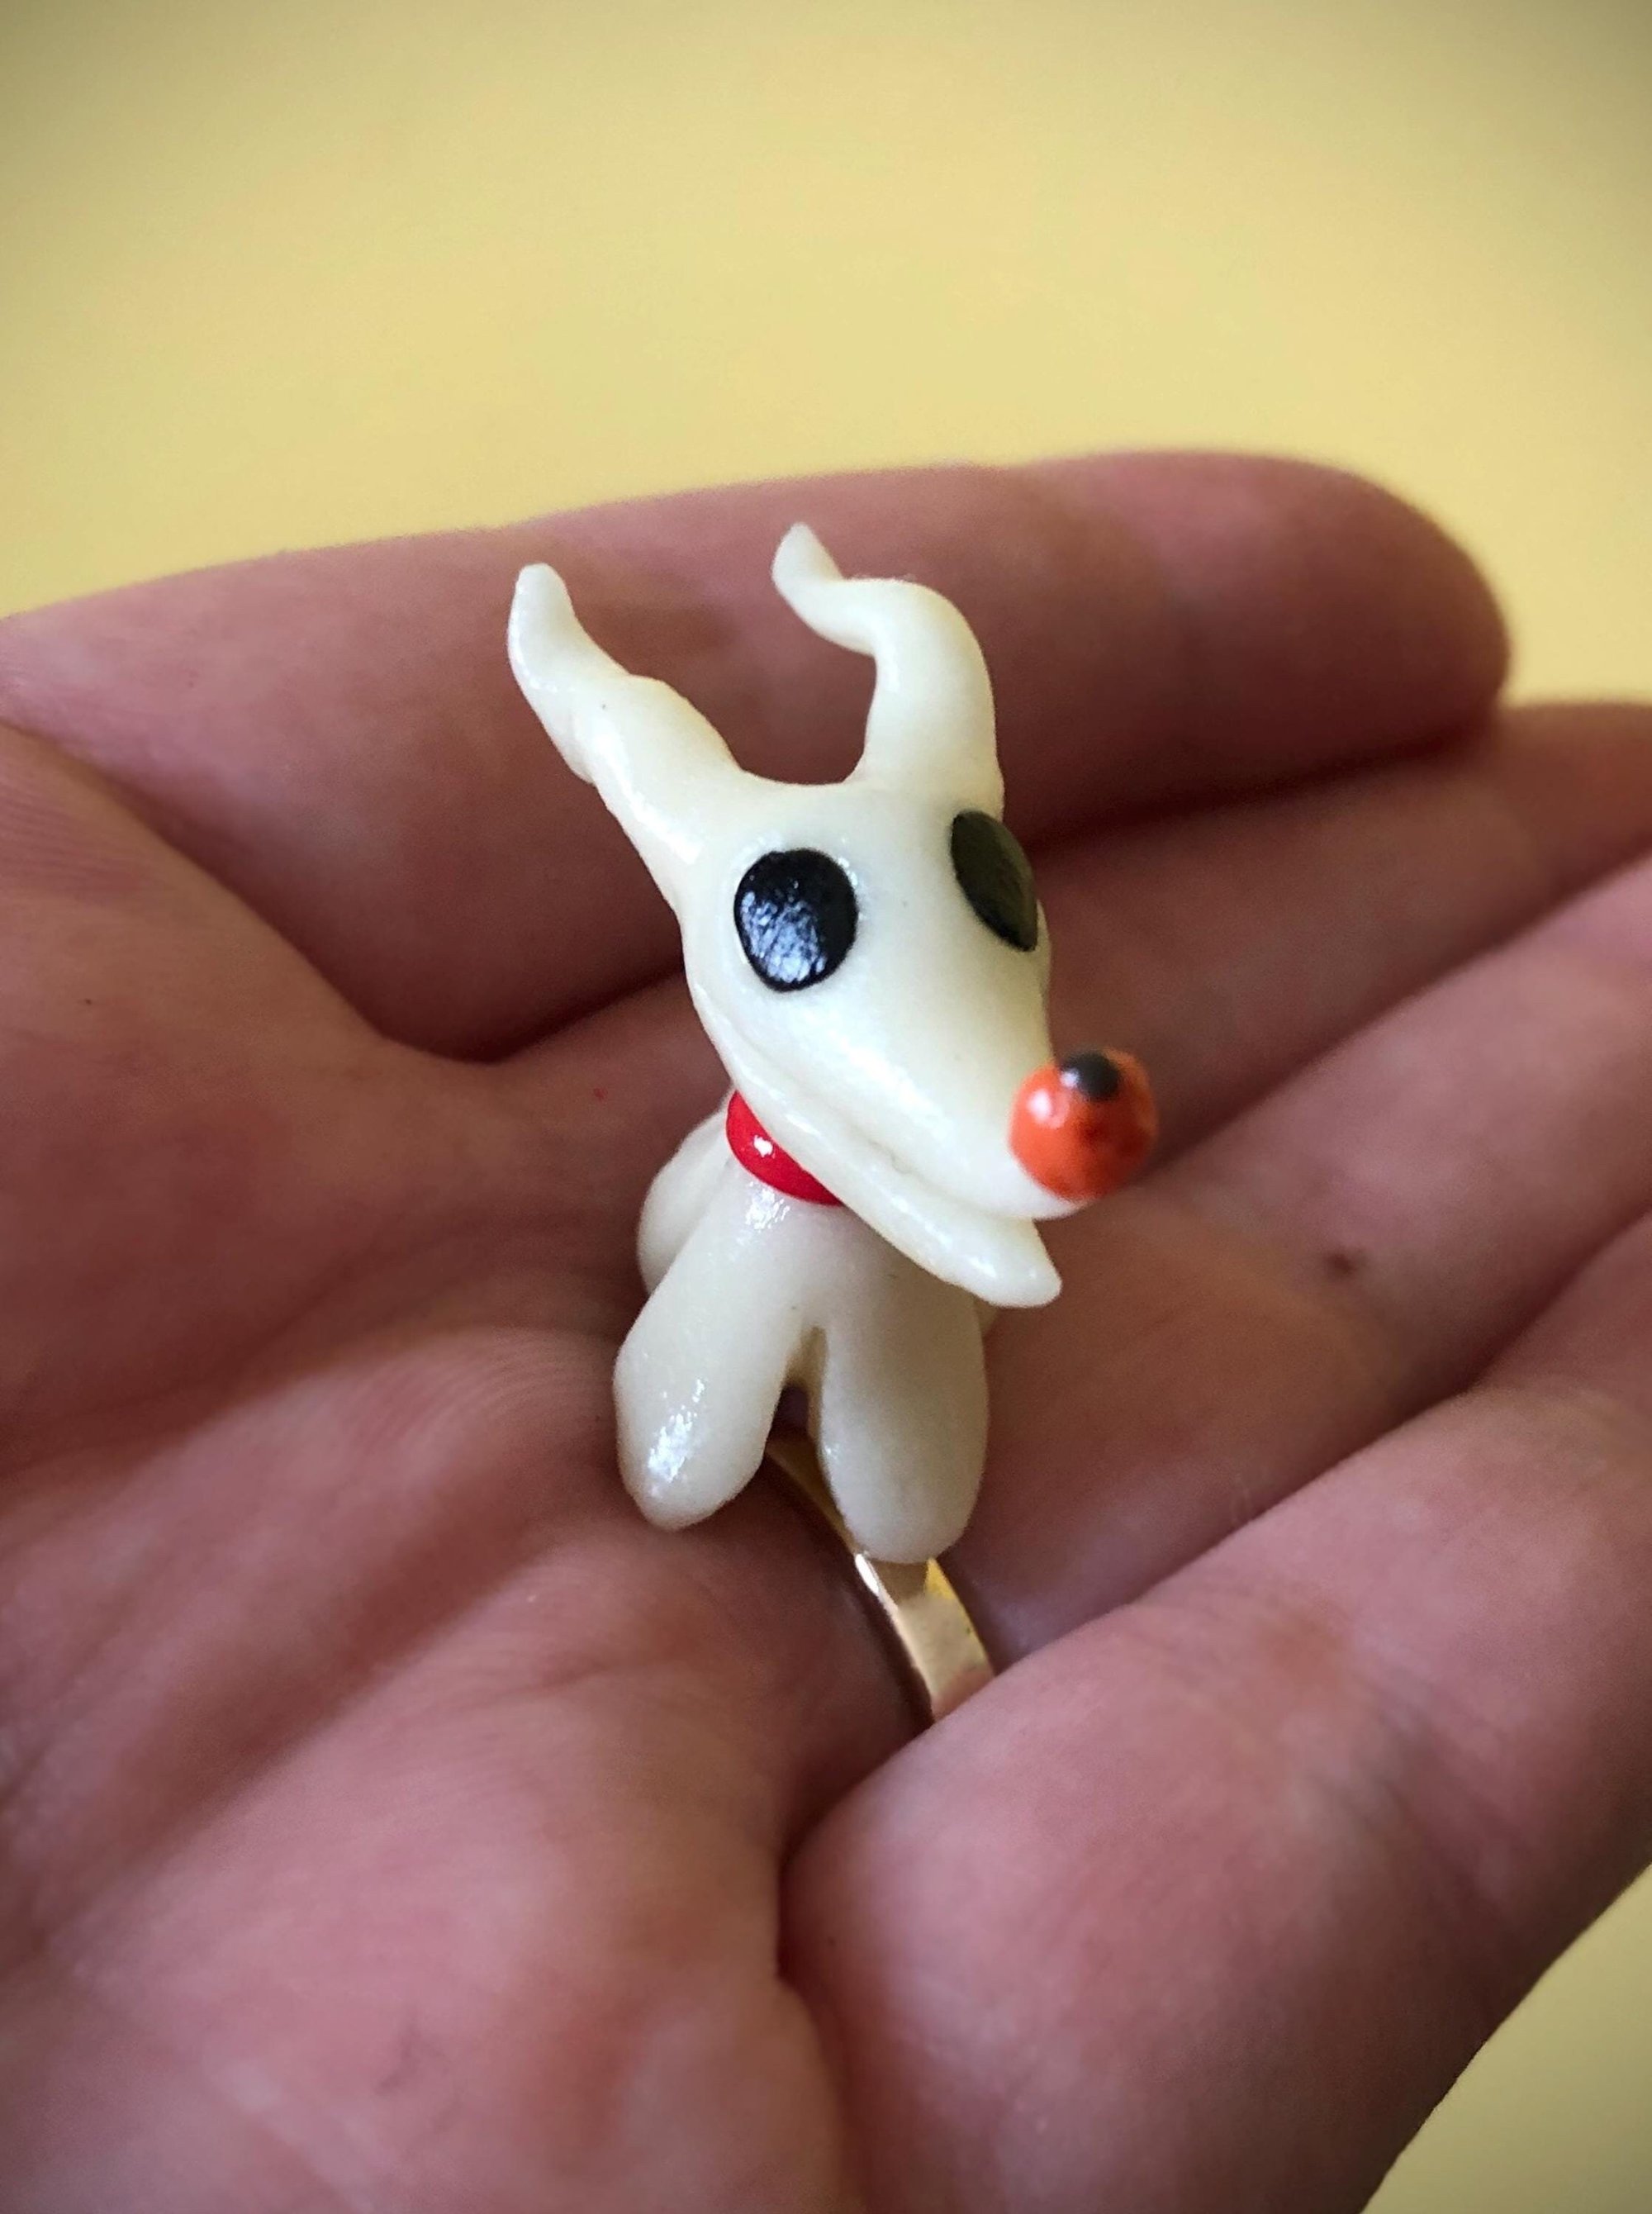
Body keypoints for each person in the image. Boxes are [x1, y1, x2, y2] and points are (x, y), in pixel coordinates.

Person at [0, 451, 1648, 2214]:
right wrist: (629, 653)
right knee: (704, 1444)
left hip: (875, 1277)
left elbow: (931, 704)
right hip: (755, 1225)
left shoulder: (968, 1051)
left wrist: (868, 623)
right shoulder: (729, 986)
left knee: (902, 1475)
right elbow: (675, 1453)